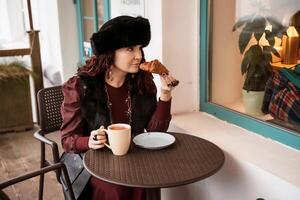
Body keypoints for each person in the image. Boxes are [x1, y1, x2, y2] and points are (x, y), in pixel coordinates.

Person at [60, 15, 177, 200]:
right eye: (130, 49)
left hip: (134, 159)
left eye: (140, 48)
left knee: (152, 179)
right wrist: (89, 142)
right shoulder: (80, 87)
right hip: (93, 164)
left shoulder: (143, 83)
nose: (138, 56)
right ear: (109, 52)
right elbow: (67, 140)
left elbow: (155, 130)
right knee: (117, 189)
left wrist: (165, 94)